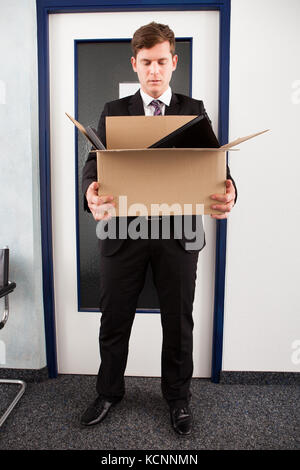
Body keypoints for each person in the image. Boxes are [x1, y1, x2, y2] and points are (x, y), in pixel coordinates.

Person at [81, 22, 236, 435]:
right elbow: (93, 167)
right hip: (121, 236)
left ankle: (178, 399)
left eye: (161, 61)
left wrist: (230, 188)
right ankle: (108, 391)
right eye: (146, 62)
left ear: (174, 62)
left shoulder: (194, 109)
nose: (154, 70)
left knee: (177, 319)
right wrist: (90, 193)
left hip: (179, 235)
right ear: (135, 63)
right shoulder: (113, 111)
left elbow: (217, 168)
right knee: (114, 317)